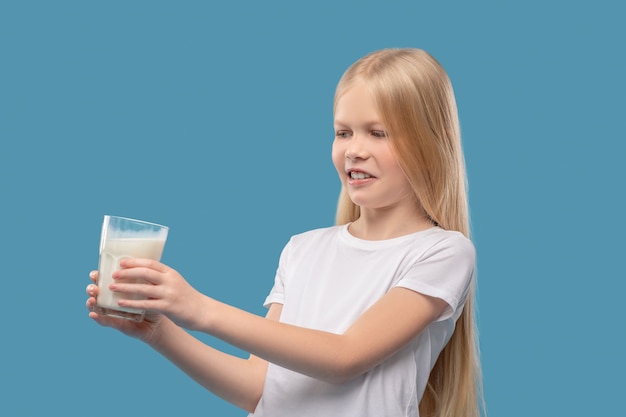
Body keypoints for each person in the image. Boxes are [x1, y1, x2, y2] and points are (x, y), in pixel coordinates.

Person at [86, 48, 484, 417]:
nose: (353, 150)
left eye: (377, 133)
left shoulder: (443, 252)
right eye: (343, 132)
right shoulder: (302, 249)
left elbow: (344, 358)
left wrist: (198, 308)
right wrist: (160, 333)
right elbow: (258, 388)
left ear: (431, 143)